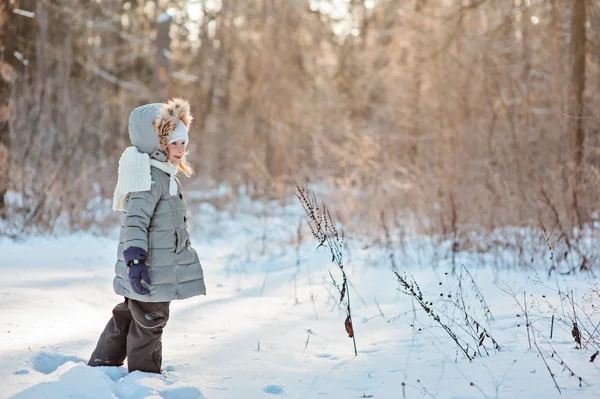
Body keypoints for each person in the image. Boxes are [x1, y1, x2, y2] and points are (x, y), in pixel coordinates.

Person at [88, 98, 206, 374]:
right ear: (157, 142)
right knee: (151, 319)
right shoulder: (150, 178)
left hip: (155, 265)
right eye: (174, 142)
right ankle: (144, 377)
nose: (181, 149)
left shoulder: (160, 173)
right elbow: (135, 221)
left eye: (184, 143)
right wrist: (135, 261)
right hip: (150, 268)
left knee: (129, 314)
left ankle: (103, 363)